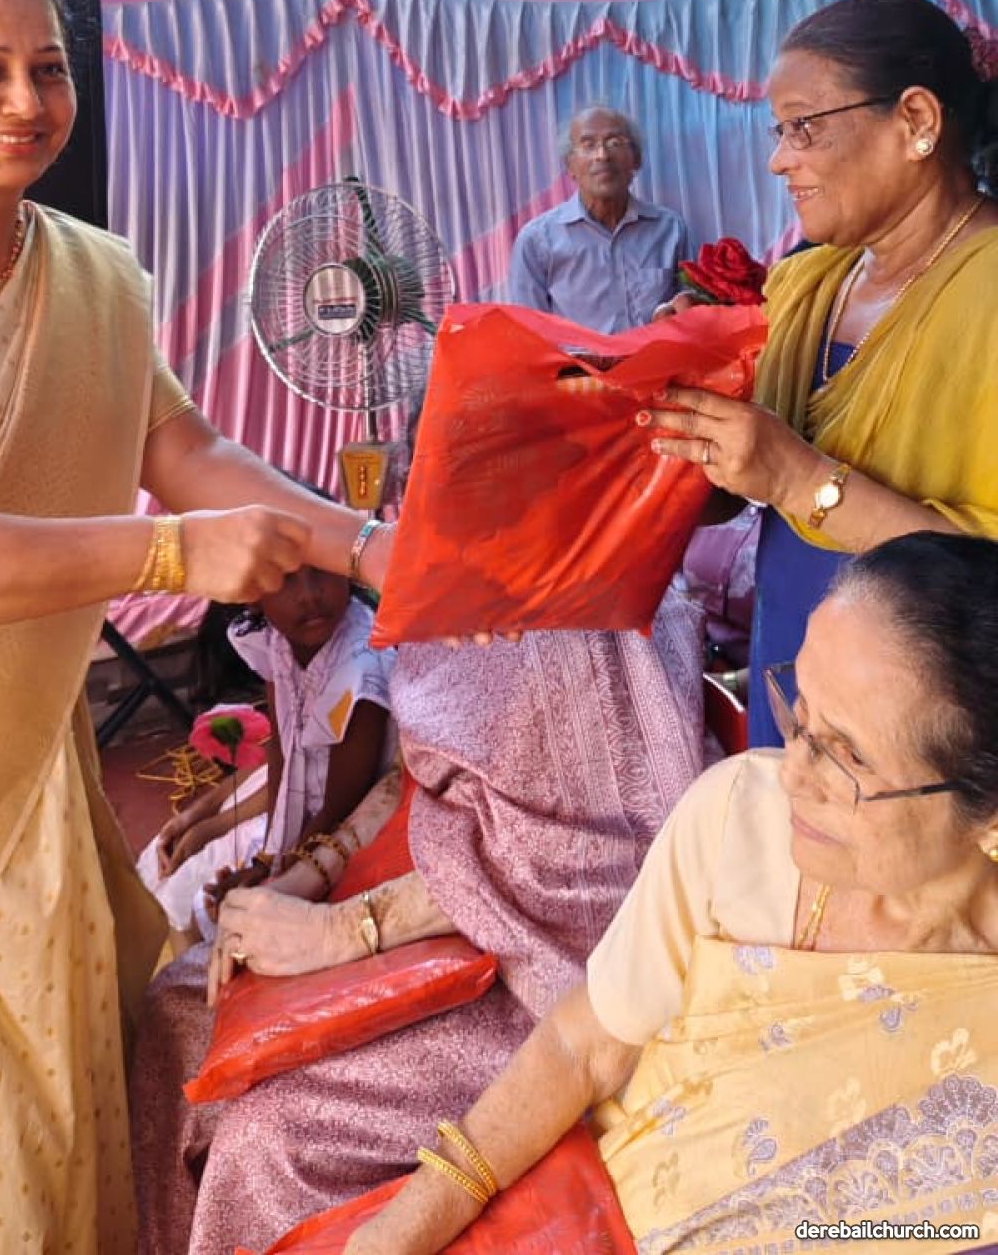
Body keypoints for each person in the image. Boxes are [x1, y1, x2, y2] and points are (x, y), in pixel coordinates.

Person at [0, 0, 396, 1255]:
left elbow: (182, 448)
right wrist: (168, 553)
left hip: (26, 781)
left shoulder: (90, 272)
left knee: (49, 1138)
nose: (27, 101)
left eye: (50, 68)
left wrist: (364, 546)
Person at [339, 531, 998, 1255]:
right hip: (594, 1219)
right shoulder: (741, 819)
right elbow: (583, 1047)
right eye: (800, 713)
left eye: (848, 759)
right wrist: (406, 1227)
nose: (792, 773)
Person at [130, 590, 704, 1255]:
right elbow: (412, 781)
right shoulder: (448, 588)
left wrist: (344, 930)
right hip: (430, 898)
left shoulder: (585, 612)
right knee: (178, 1006)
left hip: (535, 977)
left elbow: (570, 874)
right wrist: (310, 869)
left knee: (263, 1142)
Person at [644, 0, 998, 745]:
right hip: (795, 692)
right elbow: (735, 494)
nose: (779, 160)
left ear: (917, 121)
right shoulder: (806, 282)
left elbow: (984, 576)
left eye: (804, 126)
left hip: (934, 747)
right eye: (779, 131)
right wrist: (687, 399)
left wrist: (800, 478)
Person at [140, 567, 394, 951]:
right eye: (286, 579)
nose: (310, 594)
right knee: (163, 875)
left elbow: (339, 809)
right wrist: (265, 858)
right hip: (299, 825)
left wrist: (274, 874)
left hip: (340, 836)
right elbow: (283, 753)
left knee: (198, 912)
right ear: (253, 596)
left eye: (324, 572)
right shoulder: (278, 642)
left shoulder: (360, 670)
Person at [507, 104, 688, 328]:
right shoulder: (537, 241)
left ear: (636, 159)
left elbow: (690, 318)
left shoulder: (670, 229)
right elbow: (529, 333)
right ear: (570, 165)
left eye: (614, 143)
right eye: (588, 145)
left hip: (657, 351)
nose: (602, 155)